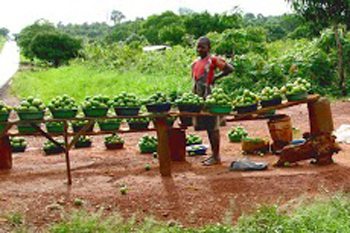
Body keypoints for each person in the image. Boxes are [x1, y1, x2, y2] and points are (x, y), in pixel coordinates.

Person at [191, 36, 234, 166]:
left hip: (209, 96)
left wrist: (216, 77)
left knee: (212, 126)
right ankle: (213, 155)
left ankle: (216, 156)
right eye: (198, 46)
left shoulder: (213, 60)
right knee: (207, 126)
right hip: (198, 97)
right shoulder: (195, 63)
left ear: (208, 48)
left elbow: (230, 69)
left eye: (202, 47)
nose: (199, 49)